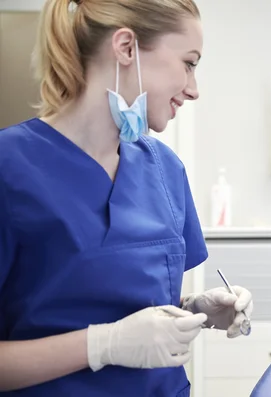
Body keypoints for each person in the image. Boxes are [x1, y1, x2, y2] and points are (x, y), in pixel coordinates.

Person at [0, 0, 253, 395]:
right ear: (126, 48)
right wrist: (103, 345)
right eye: (189, 63)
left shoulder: (165, 170)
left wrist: (193, 311)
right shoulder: (9, 167)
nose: (193, 89)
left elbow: (128, 305)